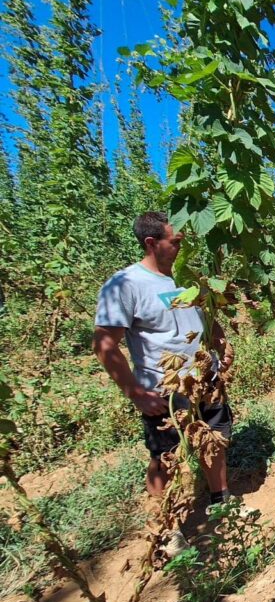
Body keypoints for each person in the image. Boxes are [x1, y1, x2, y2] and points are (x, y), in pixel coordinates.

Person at [93, 212, 238, 556]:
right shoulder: (125, 285)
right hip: (165, 389)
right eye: (175, 241)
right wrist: (135, 392)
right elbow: (105, 343)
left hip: (206, 380)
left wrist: (221, 345)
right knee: (165, 456)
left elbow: (203, 320)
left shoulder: (182, 280)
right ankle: (168, 529)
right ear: (151, 243)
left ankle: (221, 499)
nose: (181, 246)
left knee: (215, 439)